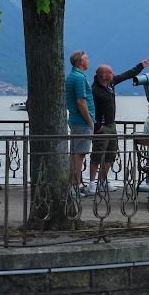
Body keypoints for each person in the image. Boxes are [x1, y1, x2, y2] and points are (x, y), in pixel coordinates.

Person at [88, 57, 149, 194]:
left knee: (110, 154)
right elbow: (89, 109)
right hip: (102, 128)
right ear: (104, 76)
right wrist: (97, 126)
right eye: (111, 73)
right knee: (97, 155)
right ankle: (92, 183)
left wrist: (141, 66)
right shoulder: (94, 90)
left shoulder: (111, 84)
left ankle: (103, 181)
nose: (113, 74)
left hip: (112, 126)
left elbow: (127, 75)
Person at [65, 50, 95, 193]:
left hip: (75, 119)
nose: (88, 61)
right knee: (80, 154)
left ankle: (72, 183)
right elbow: (81, 101)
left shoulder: (71, 76)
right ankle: (75, 185)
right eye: (87, 59)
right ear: (81, 61)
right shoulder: (80, 78)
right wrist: (89, 120)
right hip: (82, 121)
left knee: (74, 153)